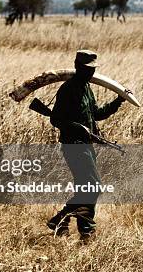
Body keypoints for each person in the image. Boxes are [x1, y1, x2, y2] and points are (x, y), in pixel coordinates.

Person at [48, 50, 127, 242]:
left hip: (85, 145)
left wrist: (119, 100)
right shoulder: (68, 89)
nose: (91, 73)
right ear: (78, 67)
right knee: (94, 186)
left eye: (92, 69)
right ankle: (63, 220)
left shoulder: (86, 88)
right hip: (73, 146)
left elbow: (97, 114)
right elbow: (56, 119)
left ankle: (82, 231)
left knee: (86, 188)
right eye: (87, 69)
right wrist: (78, 128)